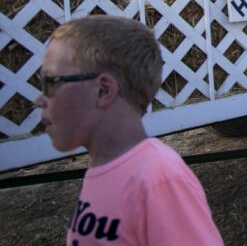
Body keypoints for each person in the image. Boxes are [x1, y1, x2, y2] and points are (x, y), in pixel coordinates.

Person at [34, 15, 224, 246]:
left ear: (103, 90)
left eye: (51, 82)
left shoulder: (158, 179)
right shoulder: (105, 168)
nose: (39, 100)